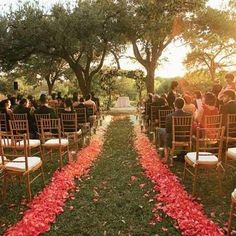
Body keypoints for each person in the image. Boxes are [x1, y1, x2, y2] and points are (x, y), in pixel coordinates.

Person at [164, 98, 192, 163]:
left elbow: (168, 130)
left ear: (175, 105)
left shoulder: (169, 116)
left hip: (174, 138)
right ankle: (185, 156)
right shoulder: (189, 115)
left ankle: (166, 157)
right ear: (183, 105)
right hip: (186, 137)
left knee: (165, 134)